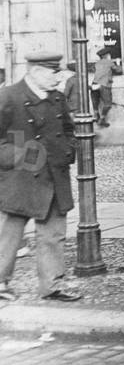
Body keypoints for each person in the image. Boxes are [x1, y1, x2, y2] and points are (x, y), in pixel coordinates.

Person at [0, 51, 81, 303]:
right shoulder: (9, 96)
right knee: (9, 234)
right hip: (20, 179)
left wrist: (68, 150)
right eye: (53, 72)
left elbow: (69, 130)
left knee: (53, 233)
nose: (58, 78)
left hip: (55, 175)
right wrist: (24, 155)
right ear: (35, 72)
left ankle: (52, 286)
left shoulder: (57, 99)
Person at [91, 47, 122, 127]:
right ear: (106, 55)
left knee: (95, 102)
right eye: (109, 54)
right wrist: (118, 63)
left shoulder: (97, 63)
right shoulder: (109, 62)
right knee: (108, 104)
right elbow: (119, 71)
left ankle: (96, 115)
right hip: (104, 84)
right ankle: (102, 119)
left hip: (94, 84)